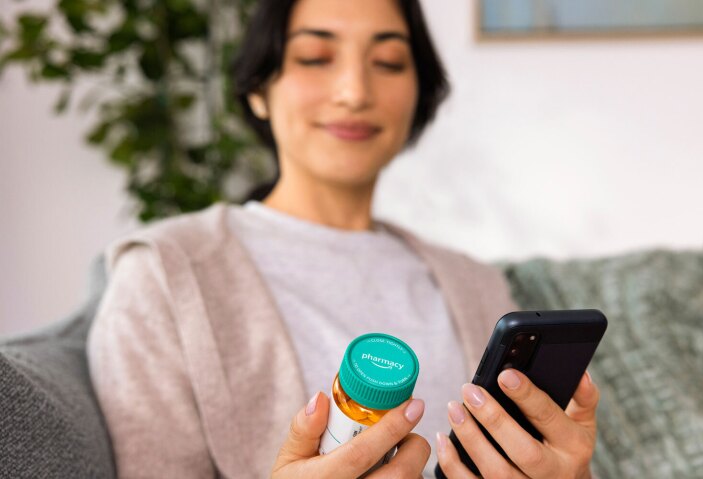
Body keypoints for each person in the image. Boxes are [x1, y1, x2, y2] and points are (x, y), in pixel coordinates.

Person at [86, 0, 600, 477]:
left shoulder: (476, 284)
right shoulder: (165, 274)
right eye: (314, 57)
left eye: (390, 63)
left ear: (419, 93)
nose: (354, 91)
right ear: (258, 90)